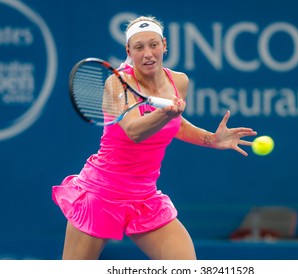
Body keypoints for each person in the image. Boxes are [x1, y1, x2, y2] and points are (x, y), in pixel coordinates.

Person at [52, 15, 257, 260]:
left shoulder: (178, 81)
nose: (148, 53)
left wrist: (211, 139)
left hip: (145, 196)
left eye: (154, 45)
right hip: (101, 193)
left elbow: (176, 125)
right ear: (129, 50)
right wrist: (164, 113)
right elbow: (134, 131)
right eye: (139, 48)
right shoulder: (117, 84)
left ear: (164, 45)